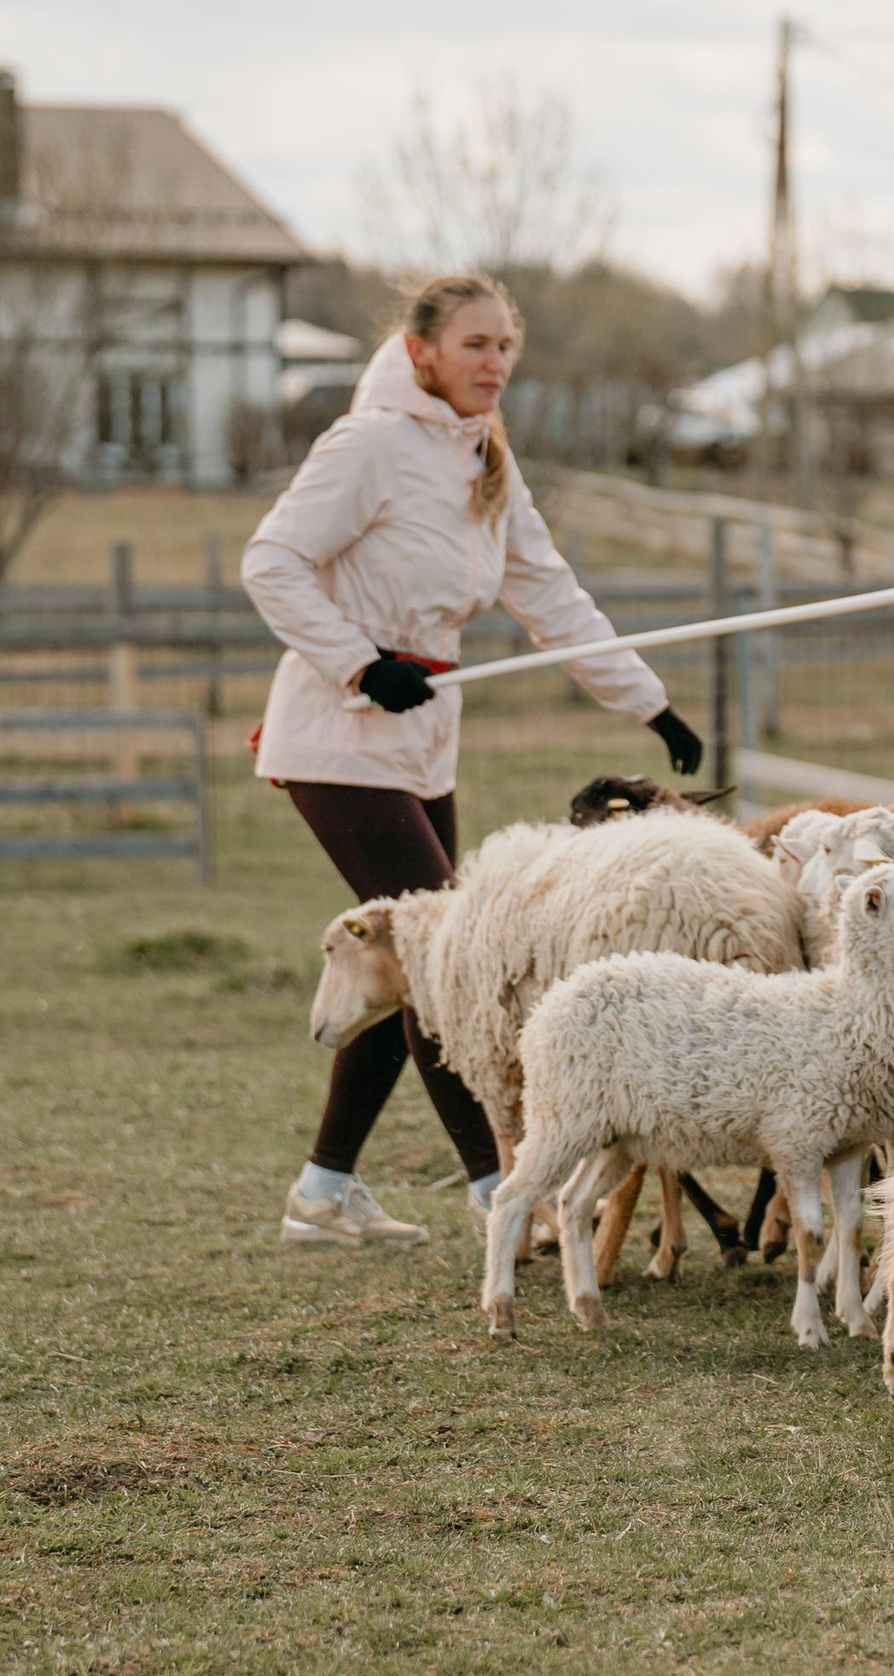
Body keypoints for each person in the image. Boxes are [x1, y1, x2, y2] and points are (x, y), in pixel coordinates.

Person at [241, 273, 704, 1248]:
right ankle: (504, 1189)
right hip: (337, 730)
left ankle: (323, 1191)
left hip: (422, 737)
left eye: (504, 346)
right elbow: (270, 561)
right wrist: (360, 665)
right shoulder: (367, 444)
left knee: (409, 961)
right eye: (473, 345)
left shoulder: (487, 454)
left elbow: (550, 593)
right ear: (420, 353)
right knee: (442, 960)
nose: (494, 364)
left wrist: (647, 700)